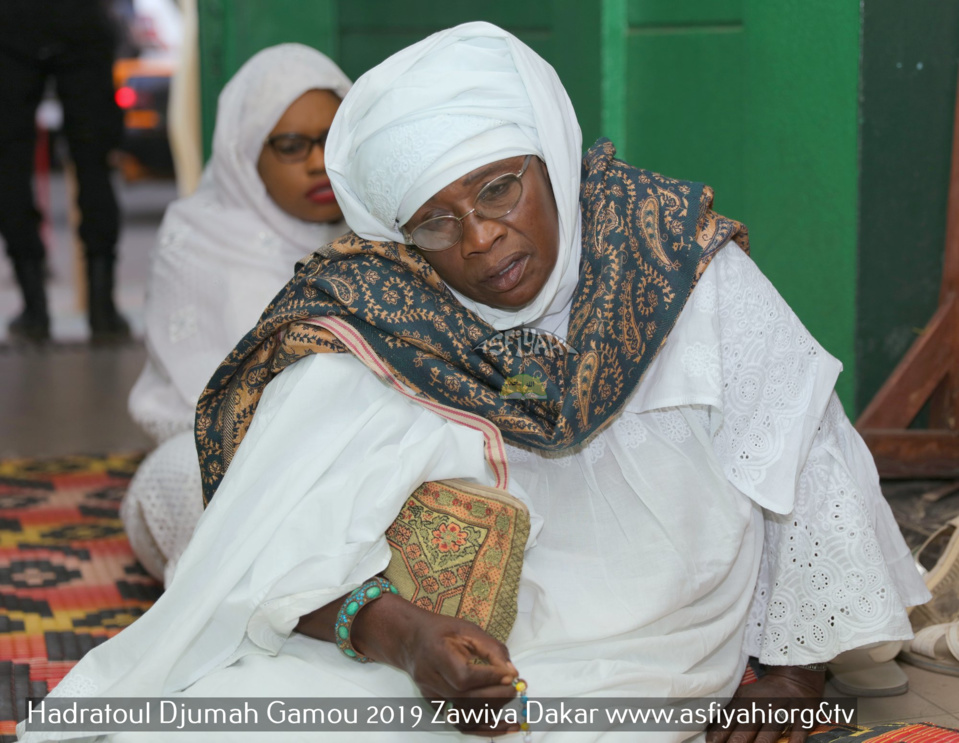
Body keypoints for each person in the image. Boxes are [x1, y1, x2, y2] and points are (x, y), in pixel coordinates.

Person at [19, 22, 929, 743]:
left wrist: (788, 673)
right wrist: (402, 636)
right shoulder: (381, 307)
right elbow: (276, 542)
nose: (481, 240)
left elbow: (799, 446)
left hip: (650, 644)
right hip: (435, 635)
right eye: (435, 223)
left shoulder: (666, 260)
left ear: (549, 156)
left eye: (499, 189)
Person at [122, 43, 351, 585]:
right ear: (245, 152)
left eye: (334, 139)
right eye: (294, 146)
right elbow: (205, 397)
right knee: (183, 474)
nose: (320, 161)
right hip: (223, 454)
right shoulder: (195, 243)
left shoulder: (378, 235)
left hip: (351, 450)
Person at [0, 0, 130, 342]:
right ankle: (102, 309)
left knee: (9, 165)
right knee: (94, 163)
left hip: (12, 23)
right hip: (80, 19)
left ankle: (34, 310)